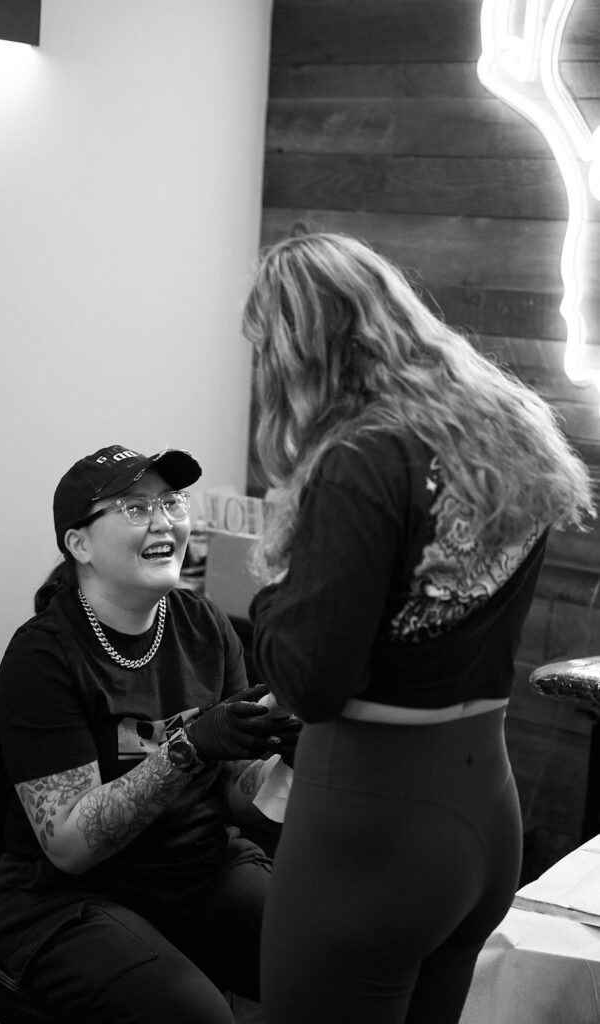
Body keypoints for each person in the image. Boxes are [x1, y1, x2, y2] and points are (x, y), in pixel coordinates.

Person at [241, 232, 595, 1024]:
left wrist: (270, 589)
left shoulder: (362, 459)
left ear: (297, 349)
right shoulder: (507, 427)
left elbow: (312, 683)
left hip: (374, 825)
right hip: (481, 810)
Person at [0, 444, 299, 1024]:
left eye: (171, 502)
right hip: (68, 899)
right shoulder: (43, 657)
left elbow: (231, 793)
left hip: (198, 868)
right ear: (79, 545)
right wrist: (191, 746)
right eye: (132, 508)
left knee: (329, 961)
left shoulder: (205, 624)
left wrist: (284, 754)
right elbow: (70, 845)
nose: (162, 520)